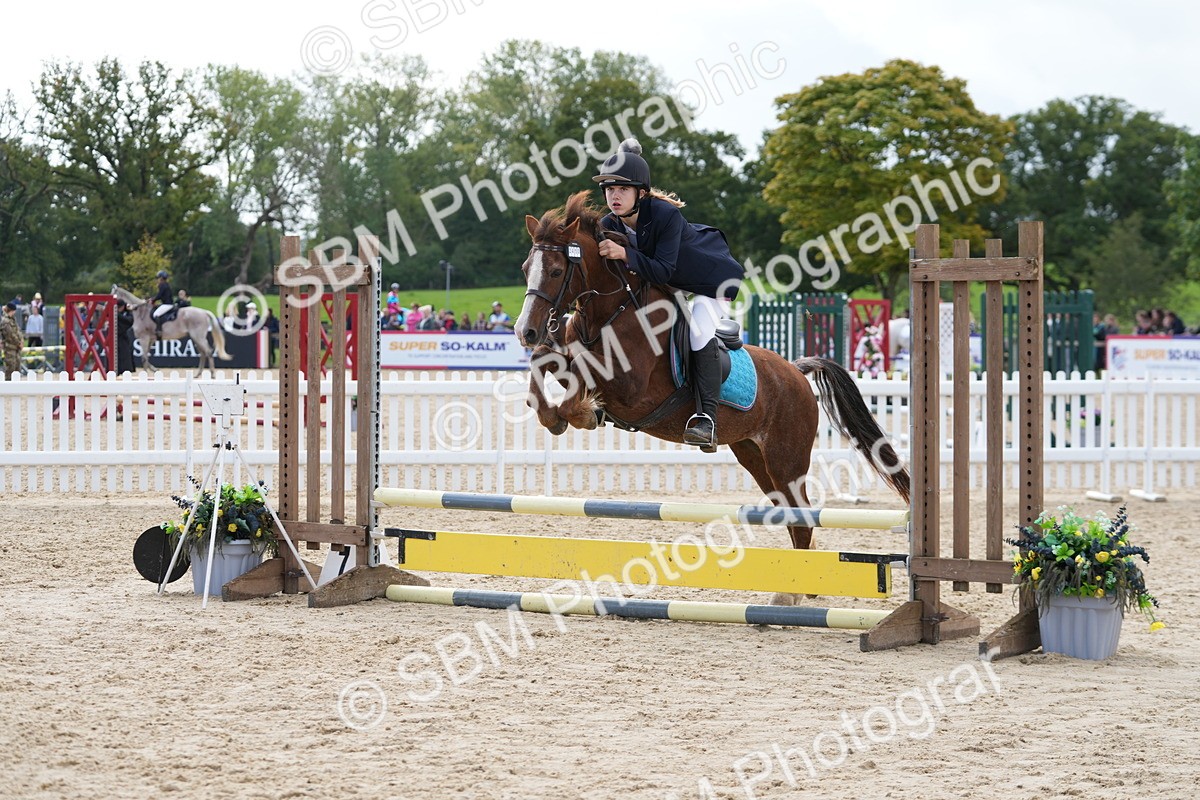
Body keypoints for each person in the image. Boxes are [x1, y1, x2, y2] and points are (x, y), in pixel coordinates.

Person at [591, 137, 744, 449]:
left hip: (711, 282)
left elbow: (661, 269)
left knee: (700, 331)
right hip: (670, 284)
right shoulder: (609, 222)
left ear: (641, 193)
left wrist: (623, 255)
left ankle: (706, 418)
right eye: (609, 189)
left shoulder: (664, 215)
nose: (614, 196)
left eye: (622, 189)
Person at [1, 301, 23, 379]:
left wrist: (21, 340)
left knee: (17, 368)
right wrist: (18, 342)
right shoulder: (5, 321)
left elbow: (18, 330)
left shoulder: (13, 319)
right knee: (10, 368)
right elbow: (10, 335)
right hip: (10, 348)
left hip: (16, 348)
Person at [115, 299, 135, 374]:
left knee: (126, 354)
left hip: (124, 336)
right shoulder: (115, 313)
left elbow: (130, 321)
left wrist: (129, 310)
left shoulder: (126, 314)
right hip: (116, 336)